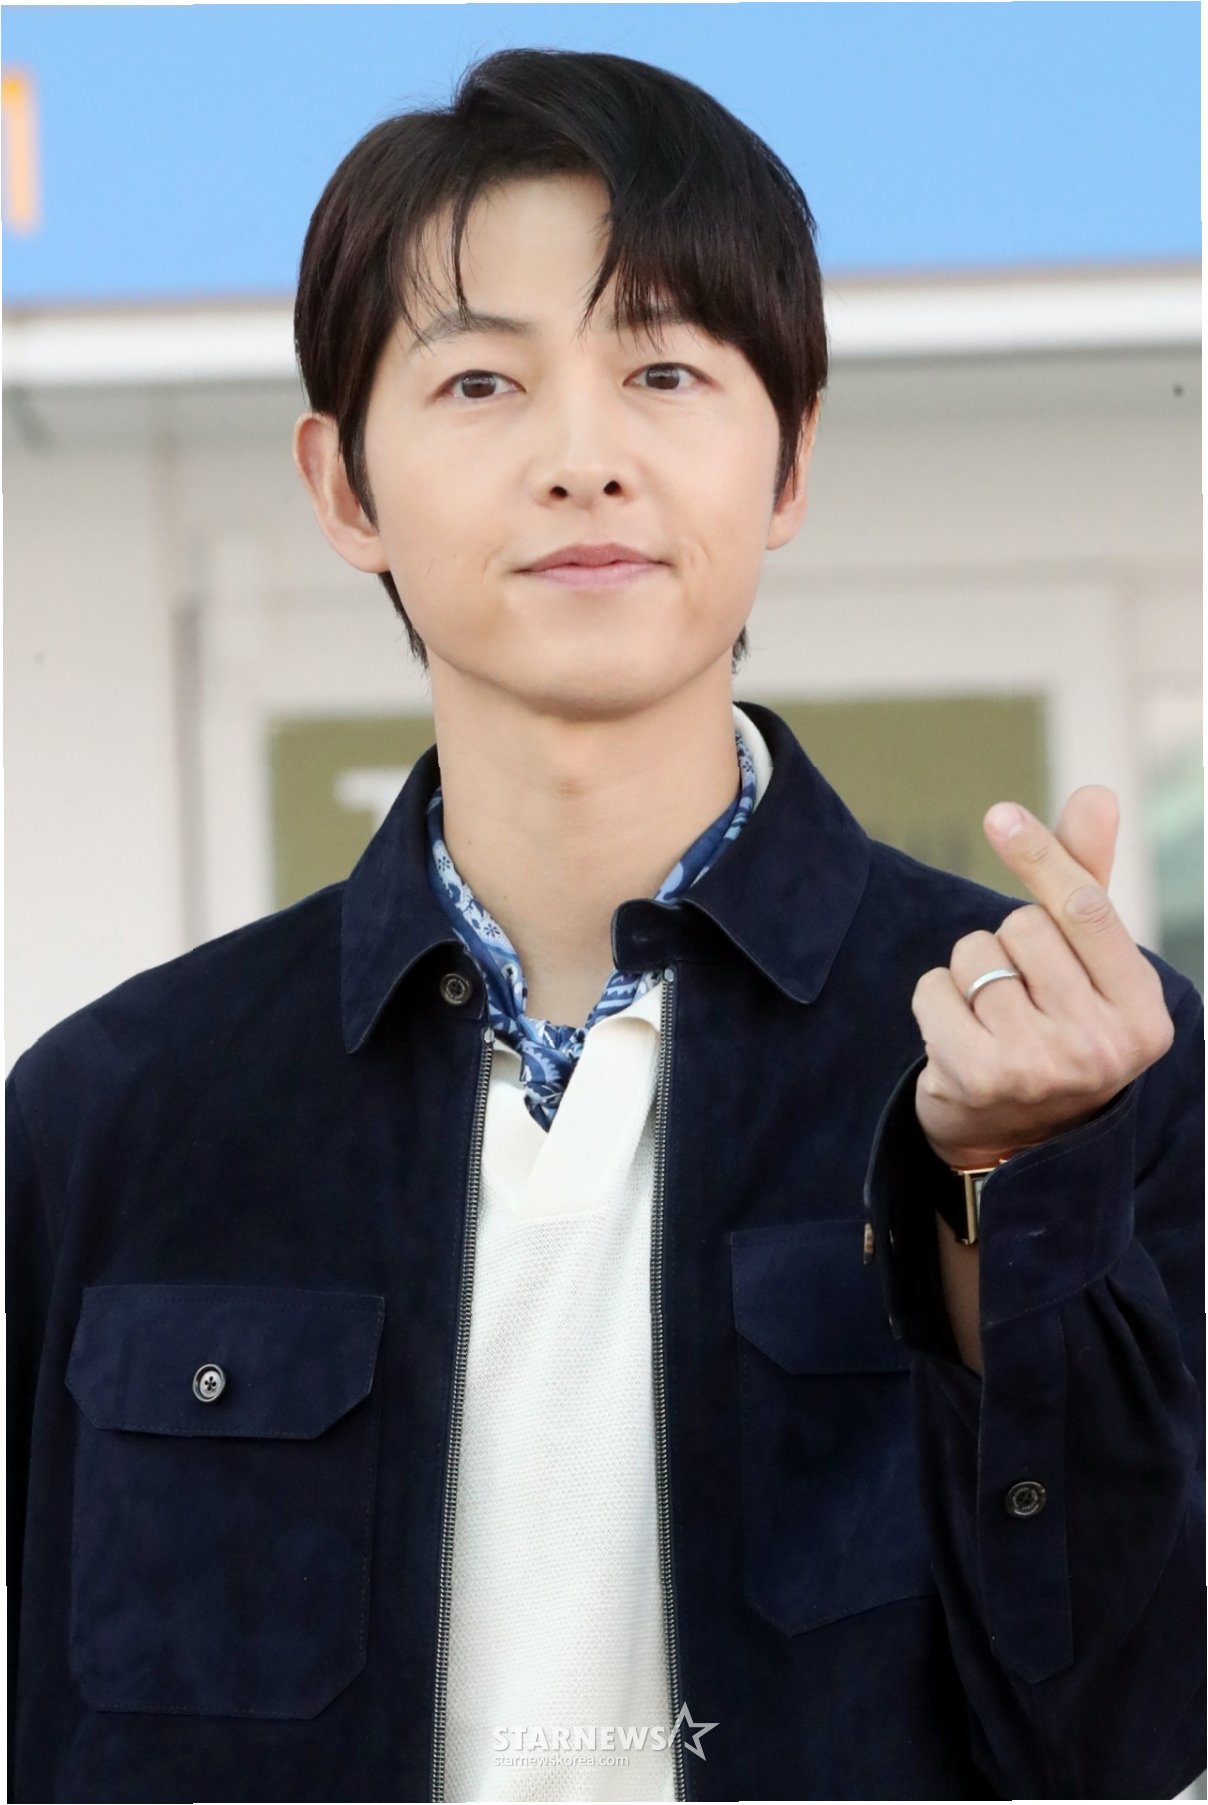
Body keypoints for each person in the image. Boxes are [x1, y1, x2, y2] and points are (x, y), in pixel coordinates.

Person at [7, 46, 1204, 1805]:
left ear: (790, 460)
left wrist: (1006, 1195)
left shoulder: (1072, 1064)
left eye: (663, 369)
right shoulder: (110, 1113)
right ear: (344, 488)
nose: (584, 460)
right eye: (481, 380)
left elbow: (1125, 1738)